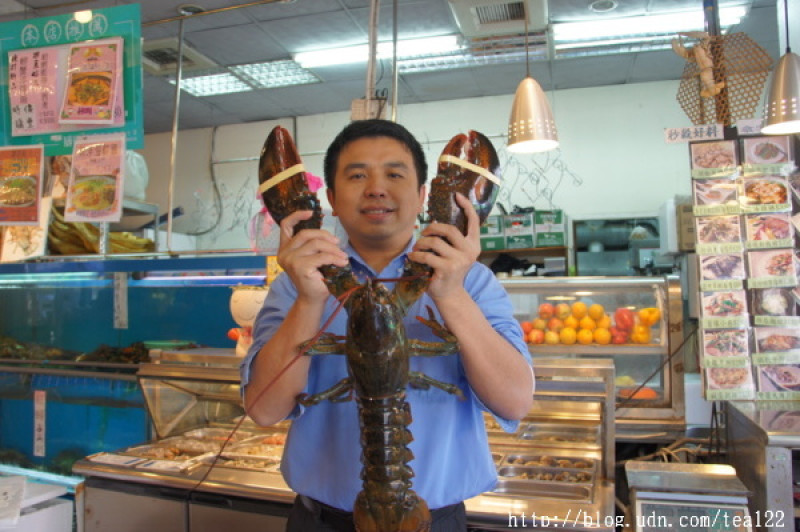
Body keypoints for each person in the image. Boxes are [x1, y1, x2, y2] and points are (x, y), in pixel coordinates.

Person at [240, 119, 533, 531]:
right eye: (357, 175)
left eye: (394, 174)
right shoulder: (295, 284)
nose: (377, 188)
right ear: (330, 201)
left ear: (422, 196)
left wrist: (450, 294)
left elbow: (515, 402)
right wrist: (309, 300)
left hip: (436, 519)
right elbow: (264, 411)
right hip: (321, 521)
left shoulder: (472, 280)